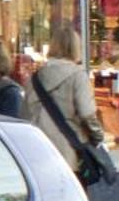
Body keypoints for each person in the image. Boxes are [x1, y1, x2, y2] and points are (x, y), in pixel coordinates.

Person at [27, 25, 107, 170]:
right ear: (76, 48)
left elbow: (26, 115)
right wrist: (98, 137)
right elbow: (87, 113)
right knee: (73, 191)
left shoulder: (35, 78)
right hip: (69, 151)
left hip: (38, 151)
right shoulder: (77, 75)